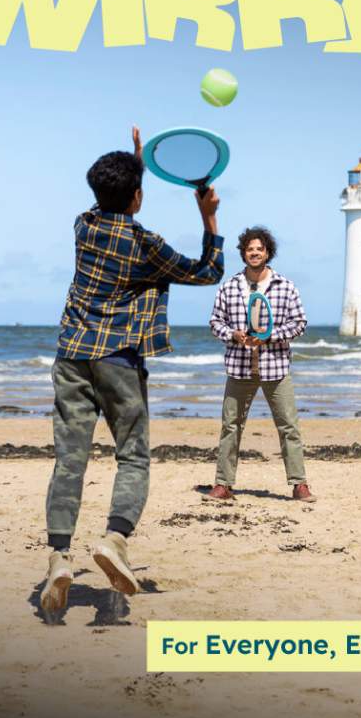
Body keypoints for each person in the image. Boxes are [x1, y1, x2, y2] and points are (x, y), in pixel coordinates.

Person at [40, 127, 224, 611]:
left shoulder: (83, 225)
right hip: (119, 360)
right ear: (138, 196)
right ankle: (114, 540)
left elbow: (114, 201)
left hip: (70, 357)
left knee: (70, 460)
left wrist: (137, 163)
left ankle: (60, 556)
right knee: (133, 455)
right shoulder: (147, 245)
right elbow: (207, 272)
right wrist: (208, 218)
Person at [207, 226, 315, 503]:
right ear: (243, 253)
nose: (254, 253)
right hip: (239, 367)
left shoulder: (285, 286)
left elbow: (299, 323)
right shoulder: (229, 286)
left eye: (259, 249)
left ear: (268, 252)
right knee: (231, 426)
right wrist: (233, 334)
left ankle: (299, 484)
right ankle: (223, 484)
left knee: (289, 426)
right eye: (249, 249)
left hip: (276, 366)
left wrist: (269, 337)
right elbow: (215, 322)